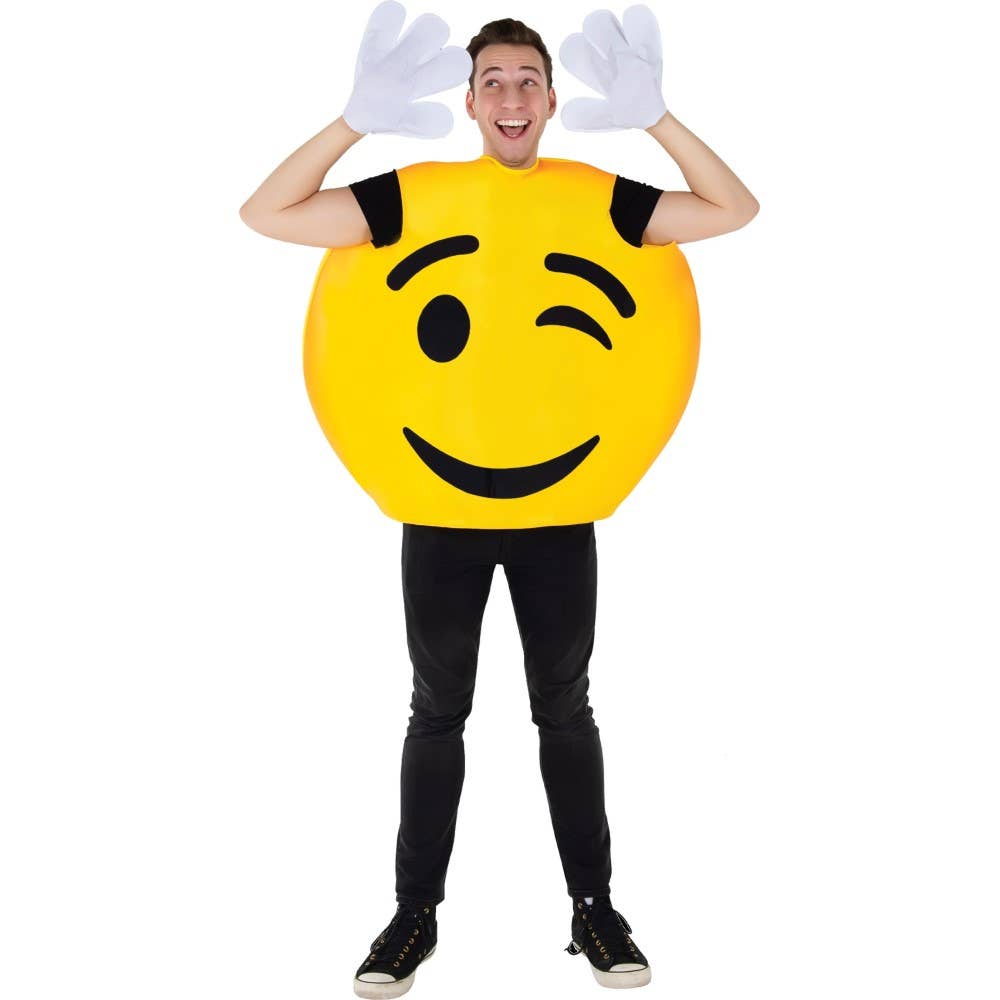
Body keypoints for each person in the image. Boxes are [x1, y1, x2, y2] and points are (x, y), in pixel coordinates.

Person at [240, 5, 758, 996]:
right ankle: (413, 916)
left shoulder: (599, 199)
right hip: (439, 509)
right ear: (470, 101)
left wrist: (658, 118)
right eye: (494, 82)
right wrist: (352, 122)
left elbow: (733, 208)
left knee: (565, 708)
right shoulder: (412, 197)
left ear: (552, 100)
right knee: (436, 711)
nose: (511, 96)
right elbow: (267, 213)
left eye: (528, 80)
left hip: (559, 510)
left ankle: (595, 910)